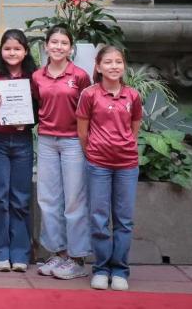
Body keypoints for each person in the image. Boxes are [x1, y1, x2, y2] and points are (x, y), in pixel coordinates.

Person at [76, 46, 142, 291]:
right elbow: (82, 132)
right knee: (99, 218)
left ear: (124, 66)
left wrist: (124, 147)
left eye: (118, 62)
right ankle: (101, 269)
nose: (114, 66)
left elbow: (134, 127)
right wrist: (94, 152)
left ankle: (120, 270)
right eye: (108, 62)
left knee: (124, 220)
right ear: (98, 66)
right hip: (98, 164)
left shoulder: (133, 95)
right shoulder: (89, 94)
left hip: (127, 165)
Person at [32, 25, 92, 280]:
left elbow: (88, 110)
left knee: (74, 199)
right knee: (48, 199)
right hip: (46, 140)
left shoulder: (79, 76)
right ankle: (58, 252)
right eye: (54, 42)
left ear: (71, 48)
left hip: (72, 142)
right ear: (46, 46)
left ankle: (77, 258)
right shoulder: (37, 76)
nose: (58, 47)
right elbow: (36, 104)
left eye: (64, 43)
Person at [0, 29, 37, 272]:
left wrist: (29, 121)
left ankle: (20, 253)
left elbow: (42, 107)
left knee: (20, 198)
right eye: (7, 48)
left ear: (25, 51)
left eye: (17, 49)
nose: (12, 53)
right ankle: (0, 252)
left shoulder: (35, 77)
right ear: (1, 51)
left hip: (22, 140)